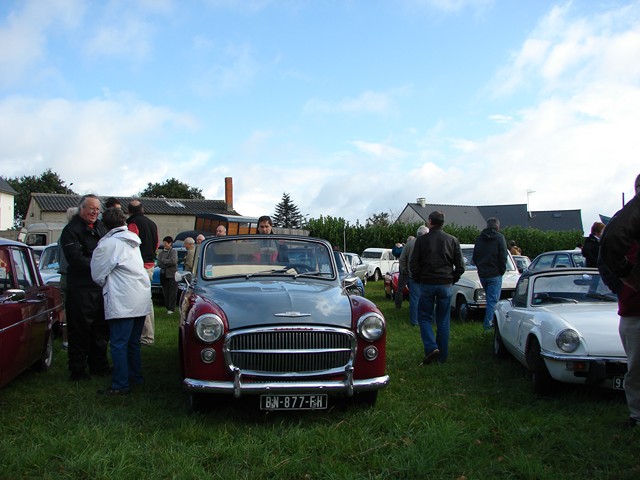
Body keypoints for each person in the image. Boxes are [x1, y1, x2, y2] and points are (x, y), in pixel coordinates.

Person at [91, 207, 151, 395]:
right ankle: (135, 377)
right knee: (133, 342)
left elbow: (97, 274)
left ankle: (120, 384)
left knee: (118, 343)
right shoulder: (132, 241)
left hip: (122, 299)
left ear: (104, 224)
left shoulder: (108, 244)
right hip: (140, 296)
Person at [600, 173, 640, 428]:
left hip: (633, 307)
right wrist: (624, 283)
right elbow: (609, 249)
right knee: (636, 369)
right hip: (635, 307)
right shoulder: (630, 227)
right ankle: (637, 417)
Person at [59, 194, 110, 381]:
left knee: (101, 328)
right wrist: (101, 264)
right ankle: (78, 370)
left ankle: (99, 365)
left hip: (99, 287)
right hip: (80, 289)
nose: (95, 212)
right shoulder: (71, 230)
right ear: (81, 209)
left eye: (97, 209)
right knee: (79, 330)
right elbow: (75, 259)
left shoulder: (101, 228)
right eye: (91, 208)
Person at [410, 211, 464, 364]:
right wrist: (453, 278)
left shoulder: (421, 241)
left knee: (424, 317)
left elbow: (413, 263)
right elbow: (460, 265)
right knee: (443, 320)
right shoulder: (453, 240)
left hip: (427, 283)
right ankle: (442, 357)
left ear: (430, 221)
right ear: (443, 222)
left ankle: (431, 346)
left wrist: (418, 278)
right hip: (445, 284)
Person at [126, 200, 158, 346]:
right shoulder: (152, 223)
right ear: (142, 209)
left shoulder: (132, 224)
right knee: (146, 299)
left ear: (129, 211)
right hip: (150, 264)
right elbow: (157, 244)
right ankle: (146, 335)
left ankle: (146, 336)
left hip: (139, 266)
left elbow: (131, 245)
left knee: (141, 301)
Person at [472, 218, 508, 331]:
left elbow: (475, 256)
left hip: (483, 274)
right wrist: (501, 270)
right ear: (497, 227)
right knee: (492, 301)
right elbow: (503, 256)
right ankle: (488, 325)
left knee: (489, 299)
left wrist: (480, 268)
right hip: (495, 273)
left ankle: (489, 323)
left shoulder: (479, 238)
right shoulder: (499, 238)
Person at [400, 225, 429, 324]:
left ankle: (415, 320)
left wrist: (405, 270)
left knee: (415, 299)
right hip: (427, 276)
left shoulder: (409, 244)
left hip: (413, 275)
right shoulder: (429, 244)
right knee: (428, 298)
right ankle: (428, 319)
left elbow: (402, 259)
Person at [157, 236, 178, 314]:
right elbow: (159, 263)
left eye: (166, 243)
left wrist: (163, 261)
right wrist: (166, 262)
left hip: (172, 275)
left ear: (170, 243)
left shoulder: (174, 252)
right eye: (164, 243)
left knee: (172, 292)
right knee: (165, 292)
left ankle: (171, 309)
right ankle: (167, 307)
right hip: (164, 275)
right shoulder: (161, 253)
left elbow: (174, 261)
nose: (164, 245)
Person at [395, 237, 413, 309]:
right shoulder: (416, 248)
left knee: (399, 290)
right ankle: (413, 305)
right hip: (412, 272)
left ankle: (398, 306)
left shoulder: (403, 249)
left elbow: (398, 256)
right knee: (413, 291)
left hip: (404, 272)